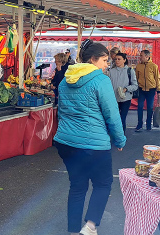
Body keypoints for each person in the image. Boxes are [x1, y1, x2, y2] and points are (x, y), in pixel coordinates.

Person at [54, 39, 126, 235]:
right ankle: (90, 226)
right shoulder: (101, 80)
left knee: (77, 186)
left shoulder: (65, 79)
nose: (106, 65)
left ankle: (73, 230)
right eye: (104, 60)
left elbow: (62, 112)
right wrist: (119, 139)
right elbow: (112, 114)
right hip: (93, 145)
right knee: (103, 184)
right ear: (93, 60)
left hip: (66, 142)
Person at [108, 52, 138, 133]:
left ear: (124, 60)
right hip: (114, 99)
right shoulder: (111, 71)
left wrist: (126, 89)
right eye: (116, 59)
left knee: (122, 118)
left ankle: (121, 136)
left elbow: (135, 85)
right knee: (114, 118)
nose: (117, 61)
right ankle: (114, 134)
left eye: (119, 59)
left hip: (126, 99)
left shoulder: (130, 71)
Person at [135, 49, 160, 132]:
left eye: (141, 56)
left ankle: (148, 124)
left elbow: (157, 78)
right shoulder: (138, 66)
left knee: (149, 107)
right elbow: (136, 77)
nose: (140, 57)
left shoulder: (154, 66)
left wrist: (158, 90)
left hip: (151, 90)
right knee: (140, 107)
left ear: (147, 56)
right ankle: (139, 124)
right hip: (141, 89)